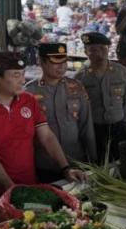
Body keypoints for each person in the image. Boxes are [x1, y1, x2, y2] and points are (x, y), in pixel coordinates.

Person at [0, 52, 86, 206]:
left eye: (23, 74)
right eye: (16, 75)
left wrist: (66, 168)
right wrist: (11, 189)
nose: (23, 80)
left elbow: (47, 137)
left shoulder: (28, 100)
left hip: (28, 184)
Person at [26, 43, 97, 183]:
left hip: (76, 161)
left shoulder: (76, 87)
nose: (62, 67)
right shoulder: (29, 93)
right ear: (41, 62)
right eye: (56, 62)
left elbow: (86, 126)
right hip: (45, 164)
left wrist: (93, 160)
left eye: (64, 62)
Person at [76, 32, 126, 161]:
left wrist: (121, 117)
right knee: (97, 163)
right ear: (86, 52)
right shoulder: (81, 77)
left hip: (118, 127)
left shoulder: (122, 72)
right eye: (94, 49)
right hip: (94, 129)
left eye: (103, 48)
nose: (100, 53)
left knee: (120, 162)